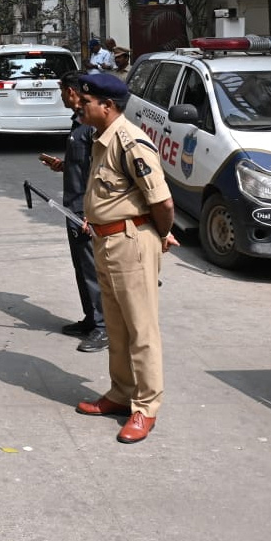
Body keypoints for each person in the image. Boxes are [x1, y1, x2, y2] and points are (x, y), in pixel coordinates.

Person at [73, 73, 179, 444]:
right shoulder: (101, 139)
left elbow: (163, 202)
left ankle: (145, 407)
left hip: (130, 242)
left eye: (86, 102)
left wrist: (162, 234)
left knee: (141, 329)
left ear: (108, 105)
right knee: (116, 326)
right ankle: (121, 393)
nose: (79, 106)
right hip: (105, 242)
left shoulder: (130, 142)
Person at [38, 72, 107, 353]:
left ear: (72, 92)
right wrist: (63, 165)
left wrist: (92, 212)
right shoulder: (77, 123)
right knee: (81, 267)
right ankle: (91, 319)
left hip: (86, 210)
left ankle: (103, 328)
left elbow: (101, 171)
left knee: (92, 269)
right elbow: (83, 163)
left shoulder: (93, 126)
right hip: (73, 206)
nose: (62, 97)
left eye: (62, 91)